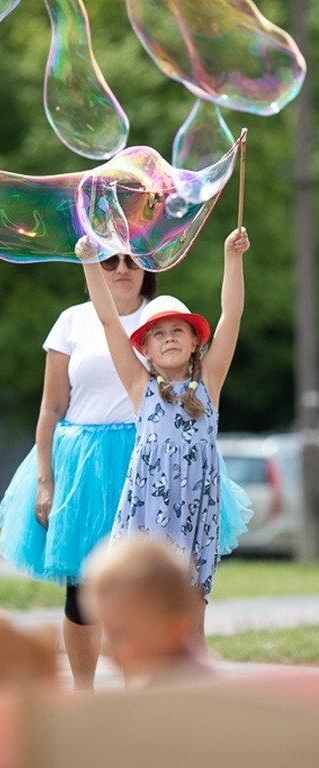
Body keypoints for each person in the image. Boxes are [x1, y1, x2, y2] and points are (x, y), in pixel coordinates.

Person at [75, 227, 250, 647]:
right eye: (158, 332)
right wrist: (88, 262)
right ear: (147, 350)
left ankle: (191, 697)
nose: (169, 336)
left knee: (190, 613)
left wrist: (232, 258)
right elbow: (109, 321)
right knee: (142, 608)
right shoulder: (141, 387)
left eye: (178, 330)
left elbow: (232, 315)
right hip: (146, 512)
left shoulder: (210, 382)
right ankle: (142, 692)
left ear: (195, 343)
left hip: (194, 515)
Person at [0, 254, 157, 691]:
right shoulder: (72, 321)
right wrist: (45, 479)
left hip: (143, 461)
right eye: (108, 260)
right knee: (82, 588)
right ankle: (83, 695)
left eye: (132, 259)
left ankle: (136, 693)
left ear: (148, 268)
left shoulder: (160, 317)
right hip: (82, 465)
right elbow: (51, 407)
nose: (121, 268)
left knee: (138, 585)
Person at [81, 537, 214, 688]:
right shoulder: (154, 675)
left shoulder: (192, 684)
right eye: (106, 630)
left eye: (119, 634)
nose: (106, 645)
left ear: (173, 630)